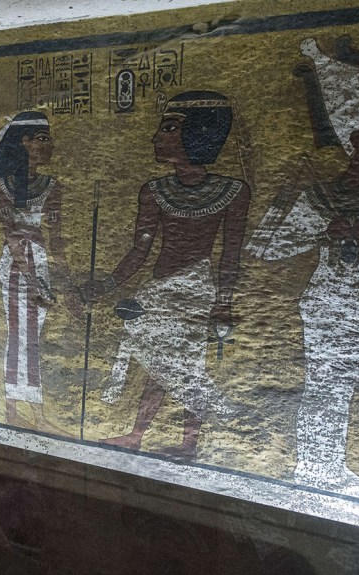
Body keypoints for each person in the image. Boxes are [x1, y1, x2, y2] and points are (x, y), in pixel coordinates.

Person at [246, 37, 359, 500]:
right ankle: (318, 471)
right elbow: (264, 247)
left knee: (347, 385)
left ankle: (326, 469)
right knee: (328, 385)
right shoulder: (321, 195)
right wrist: (314, 219)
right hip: (329, 305)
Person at [89, 92, 249, 459]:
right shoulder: (154, 191)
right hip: (159, 291)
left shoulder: (233, 192)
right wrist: (108, 286)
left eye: (170, 128)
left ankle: (188, 443)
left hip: (196, 290)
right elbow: (139, 250)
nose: (156, 137)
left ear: (199, 134)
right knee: (158, 366)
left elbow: (231, 253)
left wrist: (223, 303)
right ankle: (137, 435)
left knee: (188, 368)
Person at [0, 112, 79, 430]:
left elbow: (56, 240)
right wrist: (33, 282)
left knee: (32, 339)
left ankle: (29, 407)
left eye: (48, 138)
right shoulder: (3, 186)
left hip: (39, 263)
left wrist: (64, 284)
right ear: (24, 142)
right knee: (19, 337)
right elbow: (13, 238)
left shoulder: (52, 186)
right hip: (17, 268)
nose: (48, 145)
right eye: (41, 138)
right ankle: (16, 409)